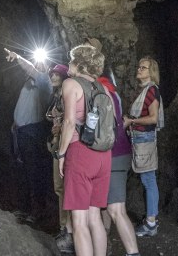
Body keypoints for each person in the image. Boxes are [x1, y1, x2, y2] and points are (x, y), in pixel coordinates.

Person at [57, 44, 112, 256]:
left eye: (71, 61)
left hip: (80, 153)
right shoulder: (103, 88)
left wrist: (61, 153)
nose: (69, 64)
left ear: (80, 64)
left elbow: (70, 122)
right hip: (103, 156)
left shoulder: (71, 84)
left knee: (79, 222)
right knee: (95, 217)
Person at [5, 47, 53, 220]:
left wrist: (17, 57)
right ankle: (23, 208)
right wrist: (15, 123)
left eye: (42, 63)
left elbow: (31, 69)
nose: (37, 65)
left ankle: (37, 211)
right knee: (21, 170)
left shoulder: (45, 82)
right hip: (20, 132)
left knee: (34, 172)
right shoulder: (27, 84)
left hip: (33, 132)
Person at [99, 75, 140, 256]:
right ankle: (104, 243)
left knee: (116, 209)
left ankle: (133, 252)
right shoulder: (113, 92)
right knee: (105, 205)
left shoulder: (100, 89)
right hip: (120, 151)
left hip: (113, 153)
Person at [123, 56, 164, 238]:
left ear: (151, 71)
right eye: (139, 67)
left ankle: (151, 223)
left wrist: (131, 121)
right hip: (138, 138)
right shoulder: (144, 91)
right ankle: (150, 219)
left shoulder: (152, 91)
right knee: (147, 180)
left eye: (144, 68)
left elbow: (153, 118)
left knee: (149, 180)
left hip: (144, 138)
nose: (139, 70)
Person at [47, 63, 75, 253]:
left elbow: (71, 118)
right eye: (52, 74)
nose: (53, 76)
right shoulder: (56, 95)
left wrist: (60, 126)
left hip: (66, 145)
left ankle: (68, 230)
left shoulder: (66, 94)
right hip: (57, 143)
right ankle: (62, 226)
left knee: (64, 187)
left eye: (57, 74)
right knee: (59, 187)